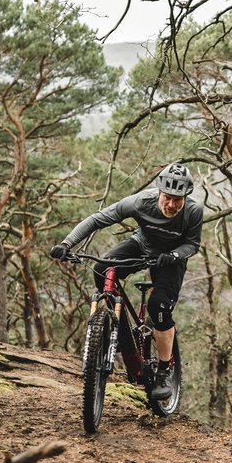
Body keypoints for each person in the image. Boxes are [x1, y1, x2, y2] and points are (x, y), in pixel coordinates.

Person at [49, 163, 203, 401]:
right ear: (159, 192)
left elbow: (192, 244)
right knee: (102, 269)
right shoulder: (140, 202)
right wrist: (67, 243)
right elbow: (97, 219)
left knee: (158, 307)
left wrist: (174, 255)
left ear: (185, 197)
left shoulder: (193, 211)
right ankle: (117, 328)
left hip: (171, 259)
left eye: (178, 200)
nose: (172, 205)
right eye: (167, 198)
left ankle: (163, 372)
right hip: (142, 246)